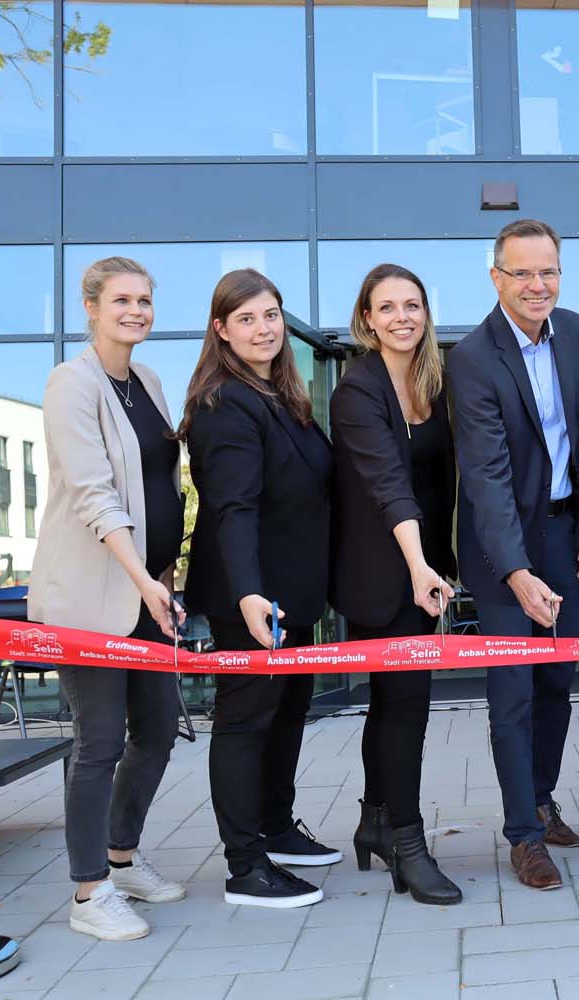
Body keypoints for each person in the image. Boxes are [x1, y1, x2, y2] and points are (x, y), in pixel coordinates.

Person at [27, 256, 185, 941]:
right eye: (122, 300)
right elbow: (94, 492)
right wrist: (142, 577)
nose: (136, 311)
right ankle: (88, 892)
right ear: (90, 308)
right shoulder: (71, 383)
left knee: (155, 733)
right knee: (100, 741)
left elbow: (162, 487)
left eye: (145, 300)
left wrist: (166, 576)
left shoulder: (147, 380)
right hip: (93, 596)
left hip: (150, 591)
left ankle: (121, 858)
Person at [181, 268, 341, 908]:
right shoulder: (224, 404)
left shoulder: (283, 397)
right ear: (221, 330)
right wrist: (249, 595)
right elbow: (231, 508)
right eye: (246, 318)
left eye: (271, 314)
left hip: (293, 594)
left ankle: (276, 828)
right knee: (246, 723)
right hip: (252, 600)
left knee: (288, 715)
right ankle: (245, 867)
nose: (263, 328)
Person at [447, 219, 579, 891]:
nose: (538, 285)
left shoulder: (573, 331)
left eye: (549, 271)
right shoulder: (472, 359)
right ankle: (523, 836)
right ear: (495, 277)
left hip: (564, 532)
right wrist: (516, 571)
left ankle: (541, 797)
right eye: (523, 273)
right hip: (502, 543)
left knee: (557, 684)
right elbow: (487, 476)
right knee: (513, 691)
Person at [329, 263, 461, 905]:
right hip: (385, 574)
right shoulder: (356, 391)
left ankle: (374, 818)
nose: (402, 317)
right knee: (405, 705)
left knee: (393, 702)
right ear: (367, 319)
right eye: (388, 307)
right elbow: (388, 482)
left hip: (425, 568)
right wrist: (417, 566)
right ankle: (408, 845)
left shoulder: (435, 382)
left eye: (413, 304)